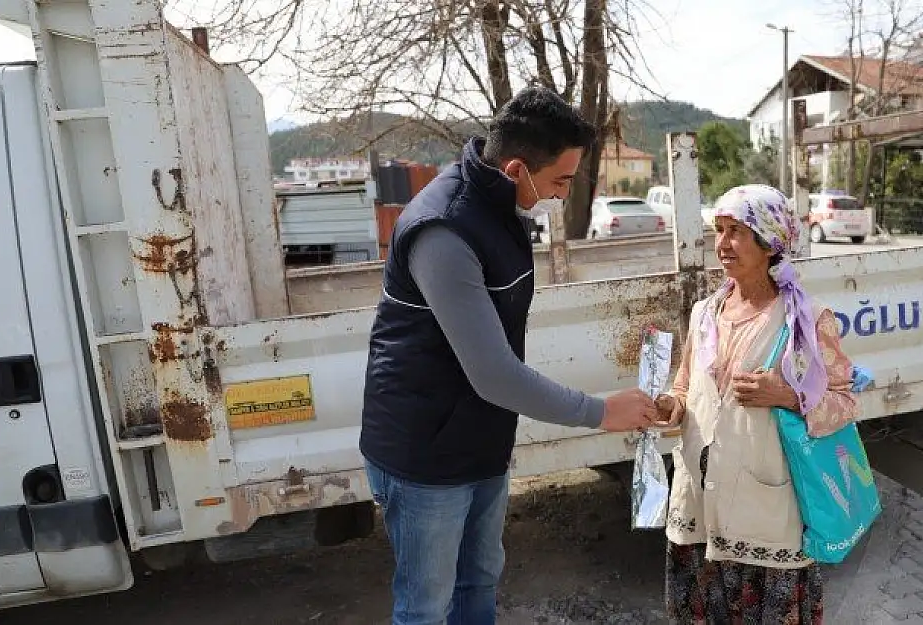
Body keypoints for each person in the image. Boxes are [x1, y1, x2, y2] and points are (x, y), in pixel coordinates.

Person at [360, 86, 658, 625]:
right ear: (518, 168)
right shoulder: (444, 229)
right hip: (424, 455)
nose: (564, 195)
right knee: (426, 605)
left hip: (481, 443)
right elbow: (494, 374)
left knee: (479, 583)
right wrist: (600, 411)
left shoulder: (497, 207)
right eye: (560, 181)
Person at [654, 184, 860, 624]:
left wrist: (785, 396)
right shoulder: (704, 313)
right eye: (719, 230)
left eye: (736, 232)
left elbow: (844, 401)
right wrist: (673, 404)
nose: (723, 244)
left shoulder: (804, 321)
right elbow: (687, 384)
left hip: (766, 510)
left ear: (768, 243)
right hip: (699, 503)